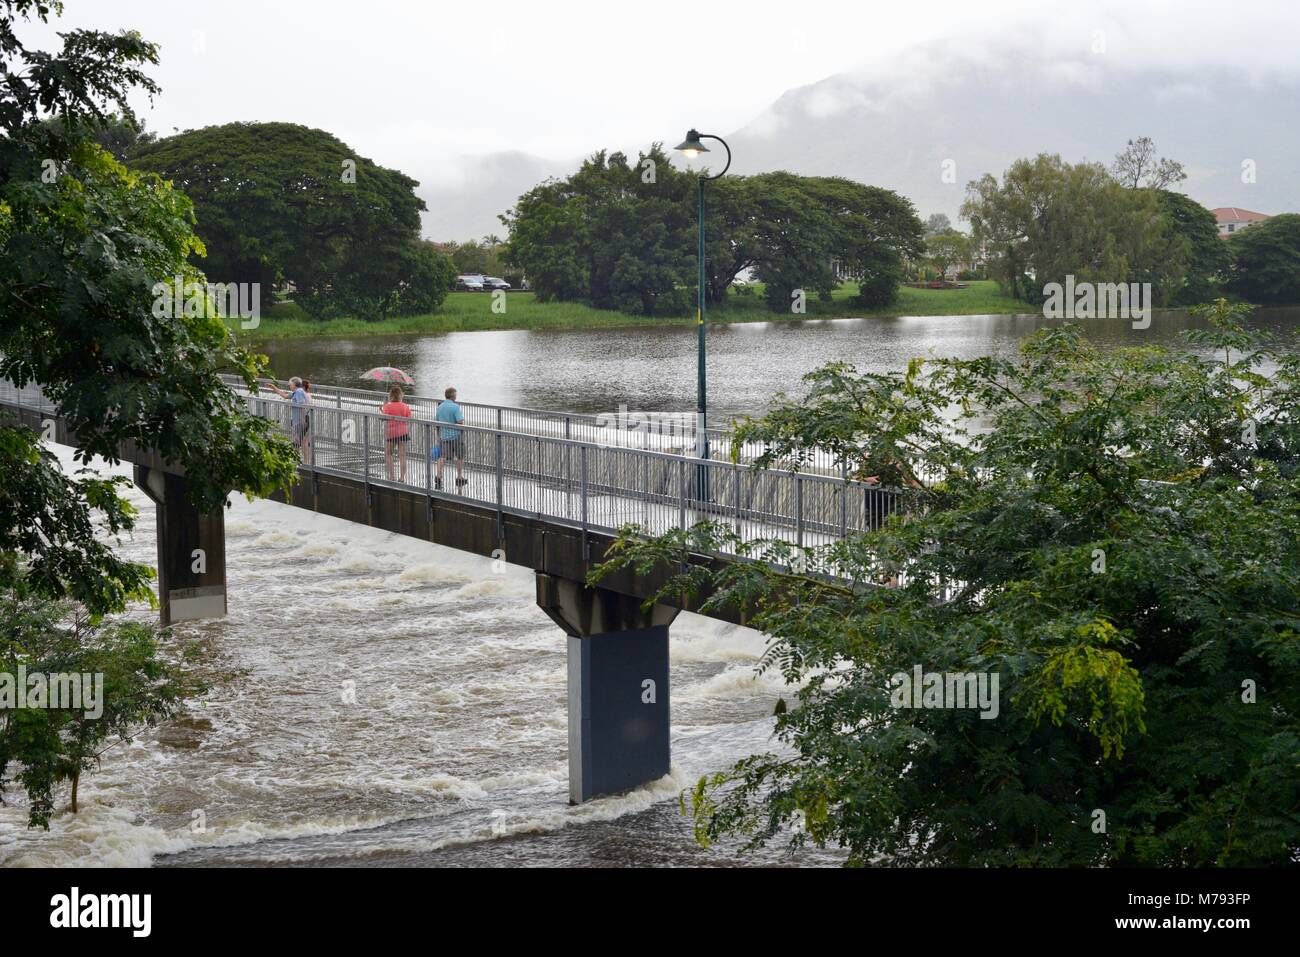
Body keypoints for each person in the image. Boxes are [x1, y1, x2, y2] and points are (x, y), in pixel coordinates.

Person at [267, 376, 311, 459]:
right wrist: (274, 388)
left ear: (294, 384)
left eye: (290, 384)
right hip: (298, 420)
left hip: (300, 420)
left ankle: (300, 461)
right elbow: (284, 395)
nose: (289, 386)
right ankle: (302, 461)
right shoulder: (296, 392)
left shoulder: (299, 392)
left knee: (297, 441)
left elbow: (302, 406)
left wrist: (302, 420)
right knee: (300, 441)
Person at [434, 386, 466, 490]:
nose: (456, 396)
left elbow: (437, 421)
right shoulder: (455, 407)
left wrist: (439, 437)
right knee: (460, 456)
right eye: (455, 394)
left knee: (442, 457)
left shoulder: (440, 407)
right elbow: (460, 421)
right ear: (453, 396)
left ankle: (438, 477)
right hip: (456, 436)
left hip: (444, 437)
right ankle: (459, 477)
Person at [381, 385, 412, 482]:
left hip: (392, 433)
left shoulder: (387, 406)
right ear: (400, 395)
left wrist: (382, 410)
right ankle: (402, 477)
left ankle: (392, 476)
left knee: (389, 453)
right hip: (403, 432)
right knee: (402, 455)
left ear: (391, 395)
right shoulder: (405, 406)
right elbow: (409, 417)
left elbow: (383, 418)